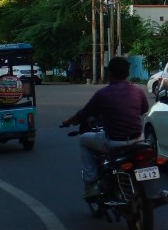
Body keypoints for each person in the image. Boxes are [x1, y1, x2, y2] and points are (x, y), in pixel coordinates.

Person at [61, 56, 148, 198]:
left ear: (110, 73)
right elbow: (143, 110)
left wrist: (68, 122)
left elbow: (84, 113)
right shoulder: (138, 91)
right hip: (138, 140)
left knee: (83, 139)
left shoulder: (102, 94)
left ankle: (91, 182)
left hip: (114, 141)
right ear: (127, 73)